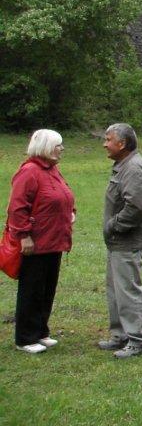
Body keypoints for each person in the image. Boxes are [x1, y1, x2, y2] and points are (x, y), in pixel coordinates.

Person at [6, 130, 75, 354]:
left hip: (55, 240)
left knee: (47, 288)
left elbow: (64, 194)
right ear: (45, 147)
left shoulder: (52, 170)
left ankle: (41, 331)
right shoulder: (29, 172)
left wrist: (70, 212)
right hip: (35, 243)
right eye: (58, 145)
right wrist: (24, 236)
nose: (61, 149)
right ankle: (25, 337)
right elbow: (17, 208)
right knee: (32, 289)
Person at [99, 123, 142, 358]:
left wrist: (114, 226)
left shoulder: (133, 168)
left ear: (122, 144)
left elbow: (136, 207)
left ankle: (137, 341)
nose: (104, 144)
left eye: (108, 139)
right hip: (118, 242)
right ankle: (120, 336)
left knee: (128, 290)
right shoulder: (124, 165)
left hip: (127, 241)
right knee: (116, 290)